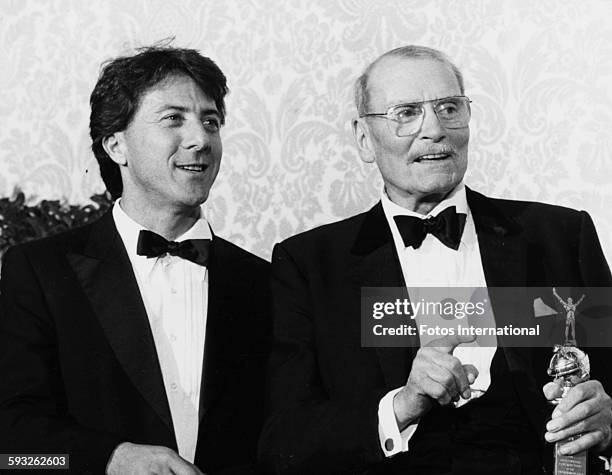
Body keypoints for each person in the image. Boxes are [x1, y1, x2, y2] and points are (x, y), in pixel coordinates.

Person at [258, 45, 612, 474]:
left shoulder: (559, 236)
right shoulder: (309, 264)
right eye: (405, 112)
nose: (435, 130)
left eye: (448, 108)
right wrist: (400, 407)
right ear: (365, 139)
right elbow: (284, 440)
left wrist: (606, 422)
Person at [0, 45, 270, 474]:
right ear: (116, 145)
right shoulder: (39, 271)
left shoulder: (266, 282)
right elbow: (12, 448)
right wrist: (109, 459)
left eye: (211, 122)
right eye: (173, 119)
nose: (201, 139)